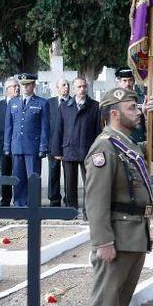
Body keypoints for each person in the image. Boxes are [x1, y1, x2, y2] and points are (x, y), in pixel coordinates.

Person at [86, 86, 153, 306]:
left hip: (134, 235)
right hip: (117, 237)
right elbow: (96, 201)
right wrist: (103, 241)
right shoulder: (104, 148)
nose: (138, 111)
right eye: (133, 108)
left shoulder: (127, 144)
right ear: (114, 114)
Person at [51, 77, 100, 210]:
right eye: (79, 87)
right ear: (74, 89)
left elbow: (98, 131)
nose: (82, 89)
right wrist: (57, 151)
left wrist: (98, 150)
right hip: (69, 149)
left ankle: (88, 210)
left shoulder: (95, 106)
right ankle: (71, 210)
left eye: (84, 86)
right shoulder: (64, 107)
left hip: (88, 150)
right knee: (70, 183)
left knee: (90, 183)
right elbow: (59, 129)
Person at [4, 73, 49, 207]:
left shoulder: (42, 103)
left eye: (28, 84)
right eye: (23, 84)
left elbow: (45, 127)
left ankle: (33, 205)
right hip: (17, 145)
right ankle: (19, 205)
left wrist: (43, 146)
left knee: (33, 177)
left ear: (33, 85)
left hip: (33, 147)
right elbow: (8, 126)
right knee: (18, 178)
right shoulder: (13, 102)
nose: (24, 87)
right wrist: (7, 146)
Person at [47, 78, 70, 207]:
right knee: (53, 173)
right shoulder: (49, 103)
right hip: (53, 144)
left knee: (69, 173)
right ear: (57, 88)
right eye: (63, 85)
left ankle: (69, 199)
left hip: (68, 144)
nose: (66, 87)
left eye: (67, 85)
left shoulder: (73, 102)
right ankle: (54, 200)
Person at [0, 78, 19, 207]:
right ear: (6, 90)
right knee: (5, 172)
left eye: (17, 86)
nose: (17, 88)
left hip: (18, 144)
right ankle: (5, 199)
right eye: (13, 86)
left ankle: (19, 200)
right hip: (3, 144)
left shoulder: (22, 103)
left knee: (18, 172)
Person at [116, 67, 146, 144]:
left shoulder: (142, 99)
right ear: (119, 82)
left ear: (133, 81)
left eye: (130, 80)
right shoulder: (114, 99)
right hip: (120, 140)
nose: (127, 84)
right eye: (124, 81)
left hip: (138, 139)